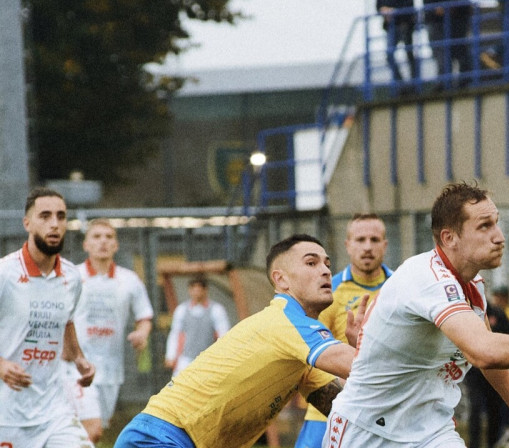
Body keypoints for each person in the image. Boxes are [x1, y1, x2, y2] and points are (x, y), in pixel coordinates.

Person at [324, 182, 509, 448]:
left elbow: (488, 352)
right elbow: (484, 352)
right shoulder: (428, 278)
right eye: (485, 226)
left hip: (430, 432)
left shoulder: (472, 286)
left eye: (496, 223)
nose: (499, 237)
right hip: (368, 432)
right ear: (450, 238)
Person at [114, 234, 361, 448]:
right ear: (281, 280)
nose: (326, 270)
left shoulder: (300, 349)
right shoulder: (287, 321)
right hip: (158, 437)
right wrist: (363, 348)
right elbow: (362, 367)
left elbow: (345, 407)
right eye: (311, 262)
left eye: (327, 264)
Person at [0, 187, 96, 448]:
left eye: (61, 216)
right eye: (45, 216)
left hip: (54, 413)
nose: (54, 224)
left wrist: (78, 357)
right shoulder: (5, 274)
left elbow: (66, 320)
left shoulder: (72, 277)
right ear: (27, 223)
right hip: (6, 416)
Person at [294, 213, 393, 448]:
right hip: (330, 406)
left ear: (385, 245)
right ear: (348, 245)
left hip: (385, 409)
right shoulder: (328, 291)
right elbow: (307, 352)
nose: (367, 247)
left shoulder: (400, 289)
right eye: (360, 240)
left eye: (374, 239)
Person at [64, 218, 154, 443]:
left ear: (116, 245)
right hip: (75, 368)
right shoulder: (72, 276)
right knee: (89, 429)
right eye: (96, 236)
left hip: (111, 370)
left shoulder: (129, 280)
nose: (103, 241)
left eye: (108, 237)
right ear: (86, 245)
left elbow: (144, 316)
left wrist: (142, 334)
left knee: (94, 432)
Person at [465, 289, 509, 448]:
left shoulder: (497, 313)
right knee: (476, 408)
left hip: (494, 368)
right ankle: (474, 444)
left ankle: (492, 443)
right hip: (474, 370)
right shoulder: (466, 314)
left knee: (495, 407)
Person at [164, 274, 230, 376]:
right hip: (185, 360)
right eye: (193, 288)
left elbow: (223, 335)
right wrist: (171, 356)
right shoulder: (181, 310)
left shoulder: (216, 310)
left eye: (199, 289)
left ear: (205, 290)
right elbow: (176, 334)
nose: (196, 292)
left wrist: (223, 357)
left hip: (207, 360)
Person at [423, 0, 473, 89]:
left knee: (459, 49)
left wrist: (451, 6)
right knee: (441, 52)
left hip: (457, 17)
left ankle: (463, 80)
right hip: (437, 20)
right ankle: (445, 82)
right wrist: (435, 9)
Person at [378, 0, 418, 89]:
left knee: (409, 53)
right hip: (391, 27)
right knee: (389, 55)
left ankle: (414, 84)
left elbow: (409, 5)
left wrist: (394, 11)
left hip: (405, 24)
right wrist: (383, 10)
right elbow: (379, 6)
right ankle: (401, 85)